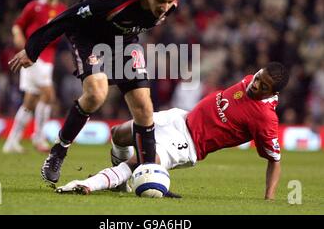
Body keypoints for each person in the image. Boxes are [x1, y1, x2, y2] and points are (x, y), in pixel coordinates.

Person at [8, 0, 182, 183]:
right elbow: (69, 16)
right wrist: (33, 48)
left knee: (144, 107)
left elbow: (154, 10)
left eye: (169, 1)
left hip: (124, 41)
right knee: (97, 94)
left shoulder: (170, 2)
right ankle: (58, 151)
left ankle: (150, 175)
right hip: (89, 36)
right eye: (160, 1)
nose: (165, 7)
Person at [56, 62, 289, 200]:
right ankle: (119, 182)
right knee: (118, 134)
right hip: (178, 117)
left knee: (140, 161)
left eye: (263, 86)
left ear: (272, 93)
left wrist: (268, 200)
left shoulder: (265, 118)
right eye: (258, 77)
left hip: (187, 145)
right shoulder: (249, 81)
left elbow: (274, 160)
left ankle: (88, 184)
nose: (255, 85)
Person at [3, 0, 66, 153]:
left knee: (30, 101)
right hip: (33, 56)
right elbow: (18, 25)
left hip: (48, 58)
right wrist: (19, 38)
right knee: (48, 93)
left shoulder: (62, 9)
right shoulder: (34, 6)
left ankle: (11, 142)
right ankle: (38, 137)